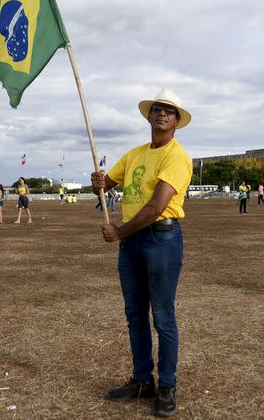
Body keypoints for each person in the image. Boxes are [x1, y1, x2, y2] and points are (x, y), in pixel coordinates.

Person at [91, 87, 192, 417]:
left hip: (160, 240)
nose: (162, 113)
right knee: (135, 315)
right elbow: (109, 183)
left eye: (169, 110)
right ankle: (141, 380)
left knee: (162, 317)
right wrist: (99, 181)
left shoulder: (177, 156)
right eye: (157, 108)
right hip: (132, 244)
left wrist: (118, 231)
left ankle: (166, 385)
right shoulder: (135, 154)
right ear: (149, 116)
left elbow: (155, 207)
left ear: (176, 121)